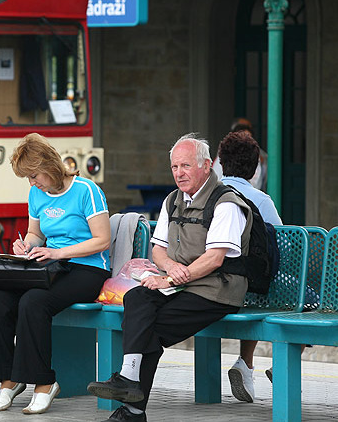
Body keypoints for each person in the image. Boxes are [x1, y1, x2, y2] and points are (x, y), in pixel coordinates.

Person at [87, 133, 253, 422]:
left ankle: (132, 408)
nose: (179, 173)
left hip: (217, 291)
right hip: (183, 286)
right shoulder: (173, 200)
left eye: (186, 166)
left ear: (206, 166)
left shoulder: (226, 203)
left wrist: (173, 279)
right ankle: (129, 384)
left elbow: (215, 259)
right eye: (175, 167)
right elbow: (158, 250)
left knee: (147, 328)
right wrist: (168, 270)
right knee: (137, 296)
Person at [0, 133, 111, 415]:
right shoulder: (36, 194)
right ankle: (10, 379)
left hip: (88, 268)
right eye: (28, 179)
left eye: (33, 175)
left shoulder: (86, 190)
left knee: (34, 301)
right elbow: (36, 233)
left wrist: (57, 253)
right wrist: (26, 244)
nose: (32, 183)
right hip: (51, 267)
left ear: (50, 166)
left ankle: (44, 383)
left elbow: (102, 240)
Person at [216, 130, 288, 403]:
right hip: (249, 288)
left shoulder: (206, 195)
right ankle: (281, 367)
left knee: (254, 284)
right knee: (305, 297)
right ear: (255, 166)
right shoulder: (260, 200)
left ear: (221, 163)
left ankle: (246, 365)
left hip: (210, 283)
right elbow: (284, 247)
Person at [212, 118, 268, 191]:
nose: (246, 141)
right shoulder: (223, 158)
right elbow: (215, 181)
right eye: (242, 138)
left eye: (249, 138)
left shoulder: (256, 157)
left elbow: (257, 183)